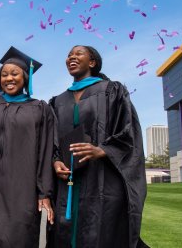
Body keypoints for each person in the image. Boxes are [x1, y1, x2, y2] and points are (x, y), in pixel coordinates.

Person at [47, 45, 147, 248]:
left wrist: (102, 150)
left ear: (92, 62)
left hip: (103, 179)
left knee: (101, 233)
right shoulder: (57, 101)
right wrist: (56, 160)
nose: (71, 57)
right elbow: (51, 141)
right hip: (67, 183)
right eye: (68, 55)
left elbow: (129, 133)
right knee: (65, 234)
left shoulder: (112, 90)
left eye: (78, 54)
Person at [0, 46, 55, 248]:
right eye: (4, 75)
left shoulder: (39, 108)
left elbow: (45, 150)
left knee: (17, 238)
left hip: (21, 191)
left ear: (25, 77)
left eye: (15, 73)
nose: (9, 78)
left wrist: (44, 192)